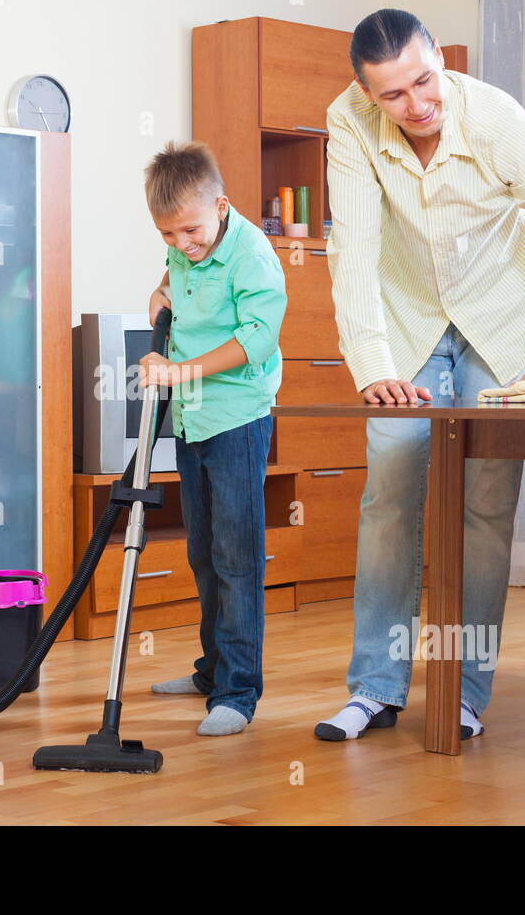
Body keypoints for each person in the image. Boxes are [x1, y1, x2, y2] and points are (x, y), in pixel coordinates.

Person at [315, 9, 525, 742]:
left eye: (424, 81)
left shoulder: (496, 122)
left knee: (484, 501)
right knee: (390, 486)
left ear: (439, 62)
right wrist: (373, 369)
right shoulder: (349, 122)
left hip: (505, 312)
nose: (416, 106)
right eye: (392, 95)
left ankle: (464, 690)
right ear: (366, 94)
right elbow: (352, 253)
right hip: (410, 315)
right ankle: (376, 688)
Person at [137, 141, 287, 736]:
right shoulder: (184, 246)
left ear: (221, 206)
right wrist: (160, 291)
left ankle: (239, 692)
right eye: (167, 236)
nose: (181, 244)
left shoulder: (253, 255)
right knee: (202, 552)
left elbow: (257, 340)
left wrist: (179, 371)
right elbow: (176, 278)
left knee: (236, 557)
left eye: (190, 231)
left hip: (237, 419)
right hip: (191, 420)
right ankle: (213, 670)